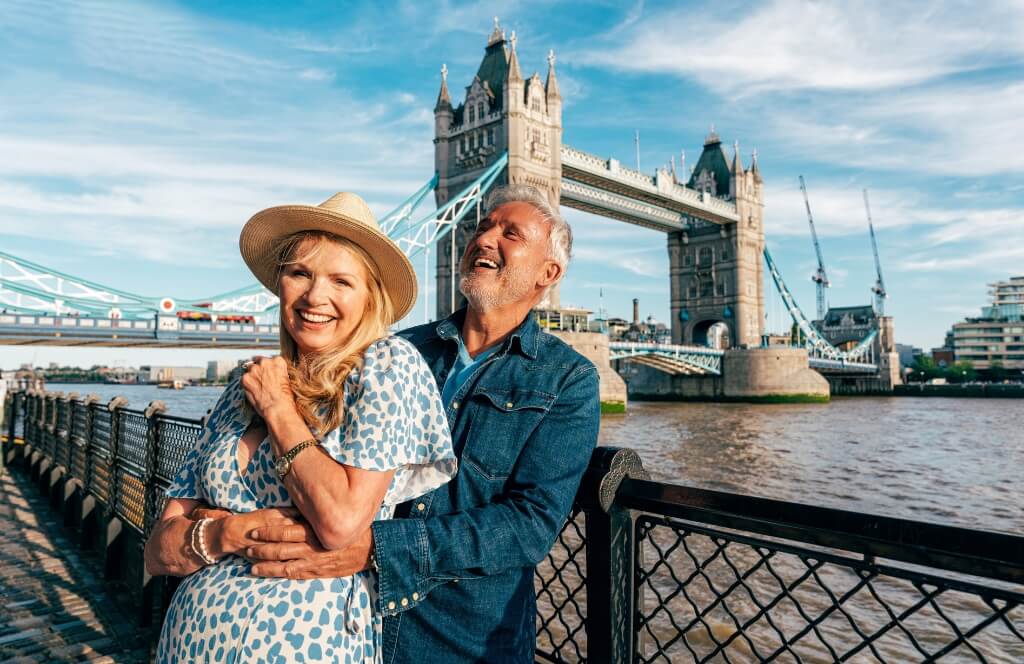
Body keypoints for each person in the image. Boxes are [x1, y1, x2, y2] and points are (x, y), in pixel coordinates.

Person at [241, 184, 601, 662]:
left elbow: (530, 523)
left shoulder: (569, 380)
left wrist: (380, 548)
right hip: (348, 618)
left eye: (510, 233)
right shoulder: (392, 350)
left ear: (548, 273)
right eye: (483, 227)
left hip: (463, 638)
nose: (484, 238)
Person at [144, 192, 456, 663]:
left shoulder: (387, 367)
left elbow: (339, 522)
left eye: (341, 281)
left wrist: (278, 408)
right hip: (189, 644)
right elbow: (157, 551)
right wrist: (226, 534)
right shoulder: (243, 388)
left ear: (370, 297)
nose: (314, 297)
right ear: (281, 284)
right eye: (300, 274)